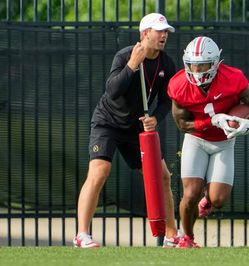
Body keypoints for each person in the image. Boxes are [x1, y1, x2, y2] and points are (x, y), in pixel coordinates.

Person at [73, 13, 181, 248]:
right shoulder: (124, 56)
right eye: (159, 31)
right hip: (108, 123)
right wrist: (132, 65)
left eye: (166, 32)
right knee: (100, 171)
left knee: (162, 175)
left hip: (135, 128)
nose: (164, 35)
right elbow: (112, 91)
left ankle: (172, 236)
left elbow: (165, 101)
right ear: (145, 34)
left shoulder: (167, 63)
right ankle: (82, 235)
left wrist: (155, 118)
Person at [167, 36, 249, 248]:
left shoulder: (233, 78)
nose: (196, 71)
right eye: (192, 65)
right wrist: (211, 120)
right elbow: (182, 124)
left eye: (202, 65)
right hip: (196, 140)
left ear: (215, 63)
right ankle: (187, 238)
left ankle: (208, 200)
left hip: (224, 141)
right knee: (191, 193)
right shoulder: (178, 84)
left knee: (219, 200)